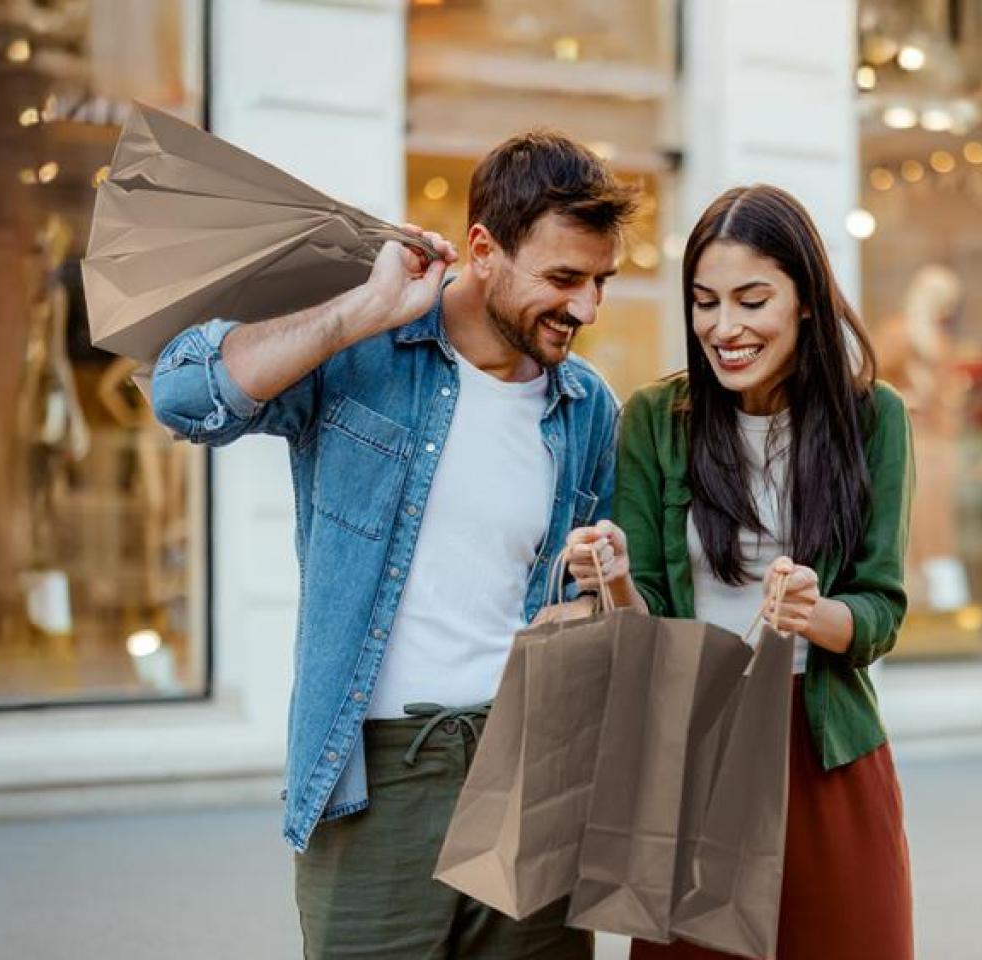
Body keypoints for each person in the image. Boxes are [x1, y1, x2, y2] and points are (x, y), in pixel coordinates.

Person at [151, 131, 636, 959]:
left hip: (530, 765)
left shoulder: (586, 406)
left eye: (601, 282)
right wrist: (359, 313)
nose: (587, 308)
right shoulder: (365, 357)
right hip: (377, 777)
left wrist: (598, 589)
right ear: (483, 249)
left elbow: (580, 605)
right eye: (563, 279)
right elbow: (184, 394)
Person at [566, 184, 916, 959]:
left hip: (826, 759)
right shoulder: (659, 418)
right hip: (697, 751)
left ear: (807, 304)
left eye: (752, 300)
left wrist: (813, 612)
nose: (724, 328)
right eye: (704, 302)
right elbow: (647, 616)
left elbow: (881, 610)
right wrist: (616, 576)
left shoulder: (874, 420)